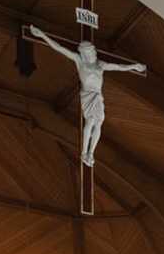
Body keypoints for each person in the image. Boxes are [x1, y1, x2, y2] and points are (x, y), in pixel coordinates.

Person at [28, 25, 147, 168]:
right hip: (88, 96)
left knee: (98, 123)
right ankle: (84, 152)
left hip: (98, 96)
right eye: (90, 52)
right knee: (90, 121)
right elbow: (59, 48)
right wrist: (42, 35)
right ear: (84, 54)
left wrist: (134, 66)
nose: (93, 54)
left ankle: (91, 153)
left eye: (93, 52)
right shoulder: (80, 61)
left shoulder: (100, 65)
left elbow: (119, 67)